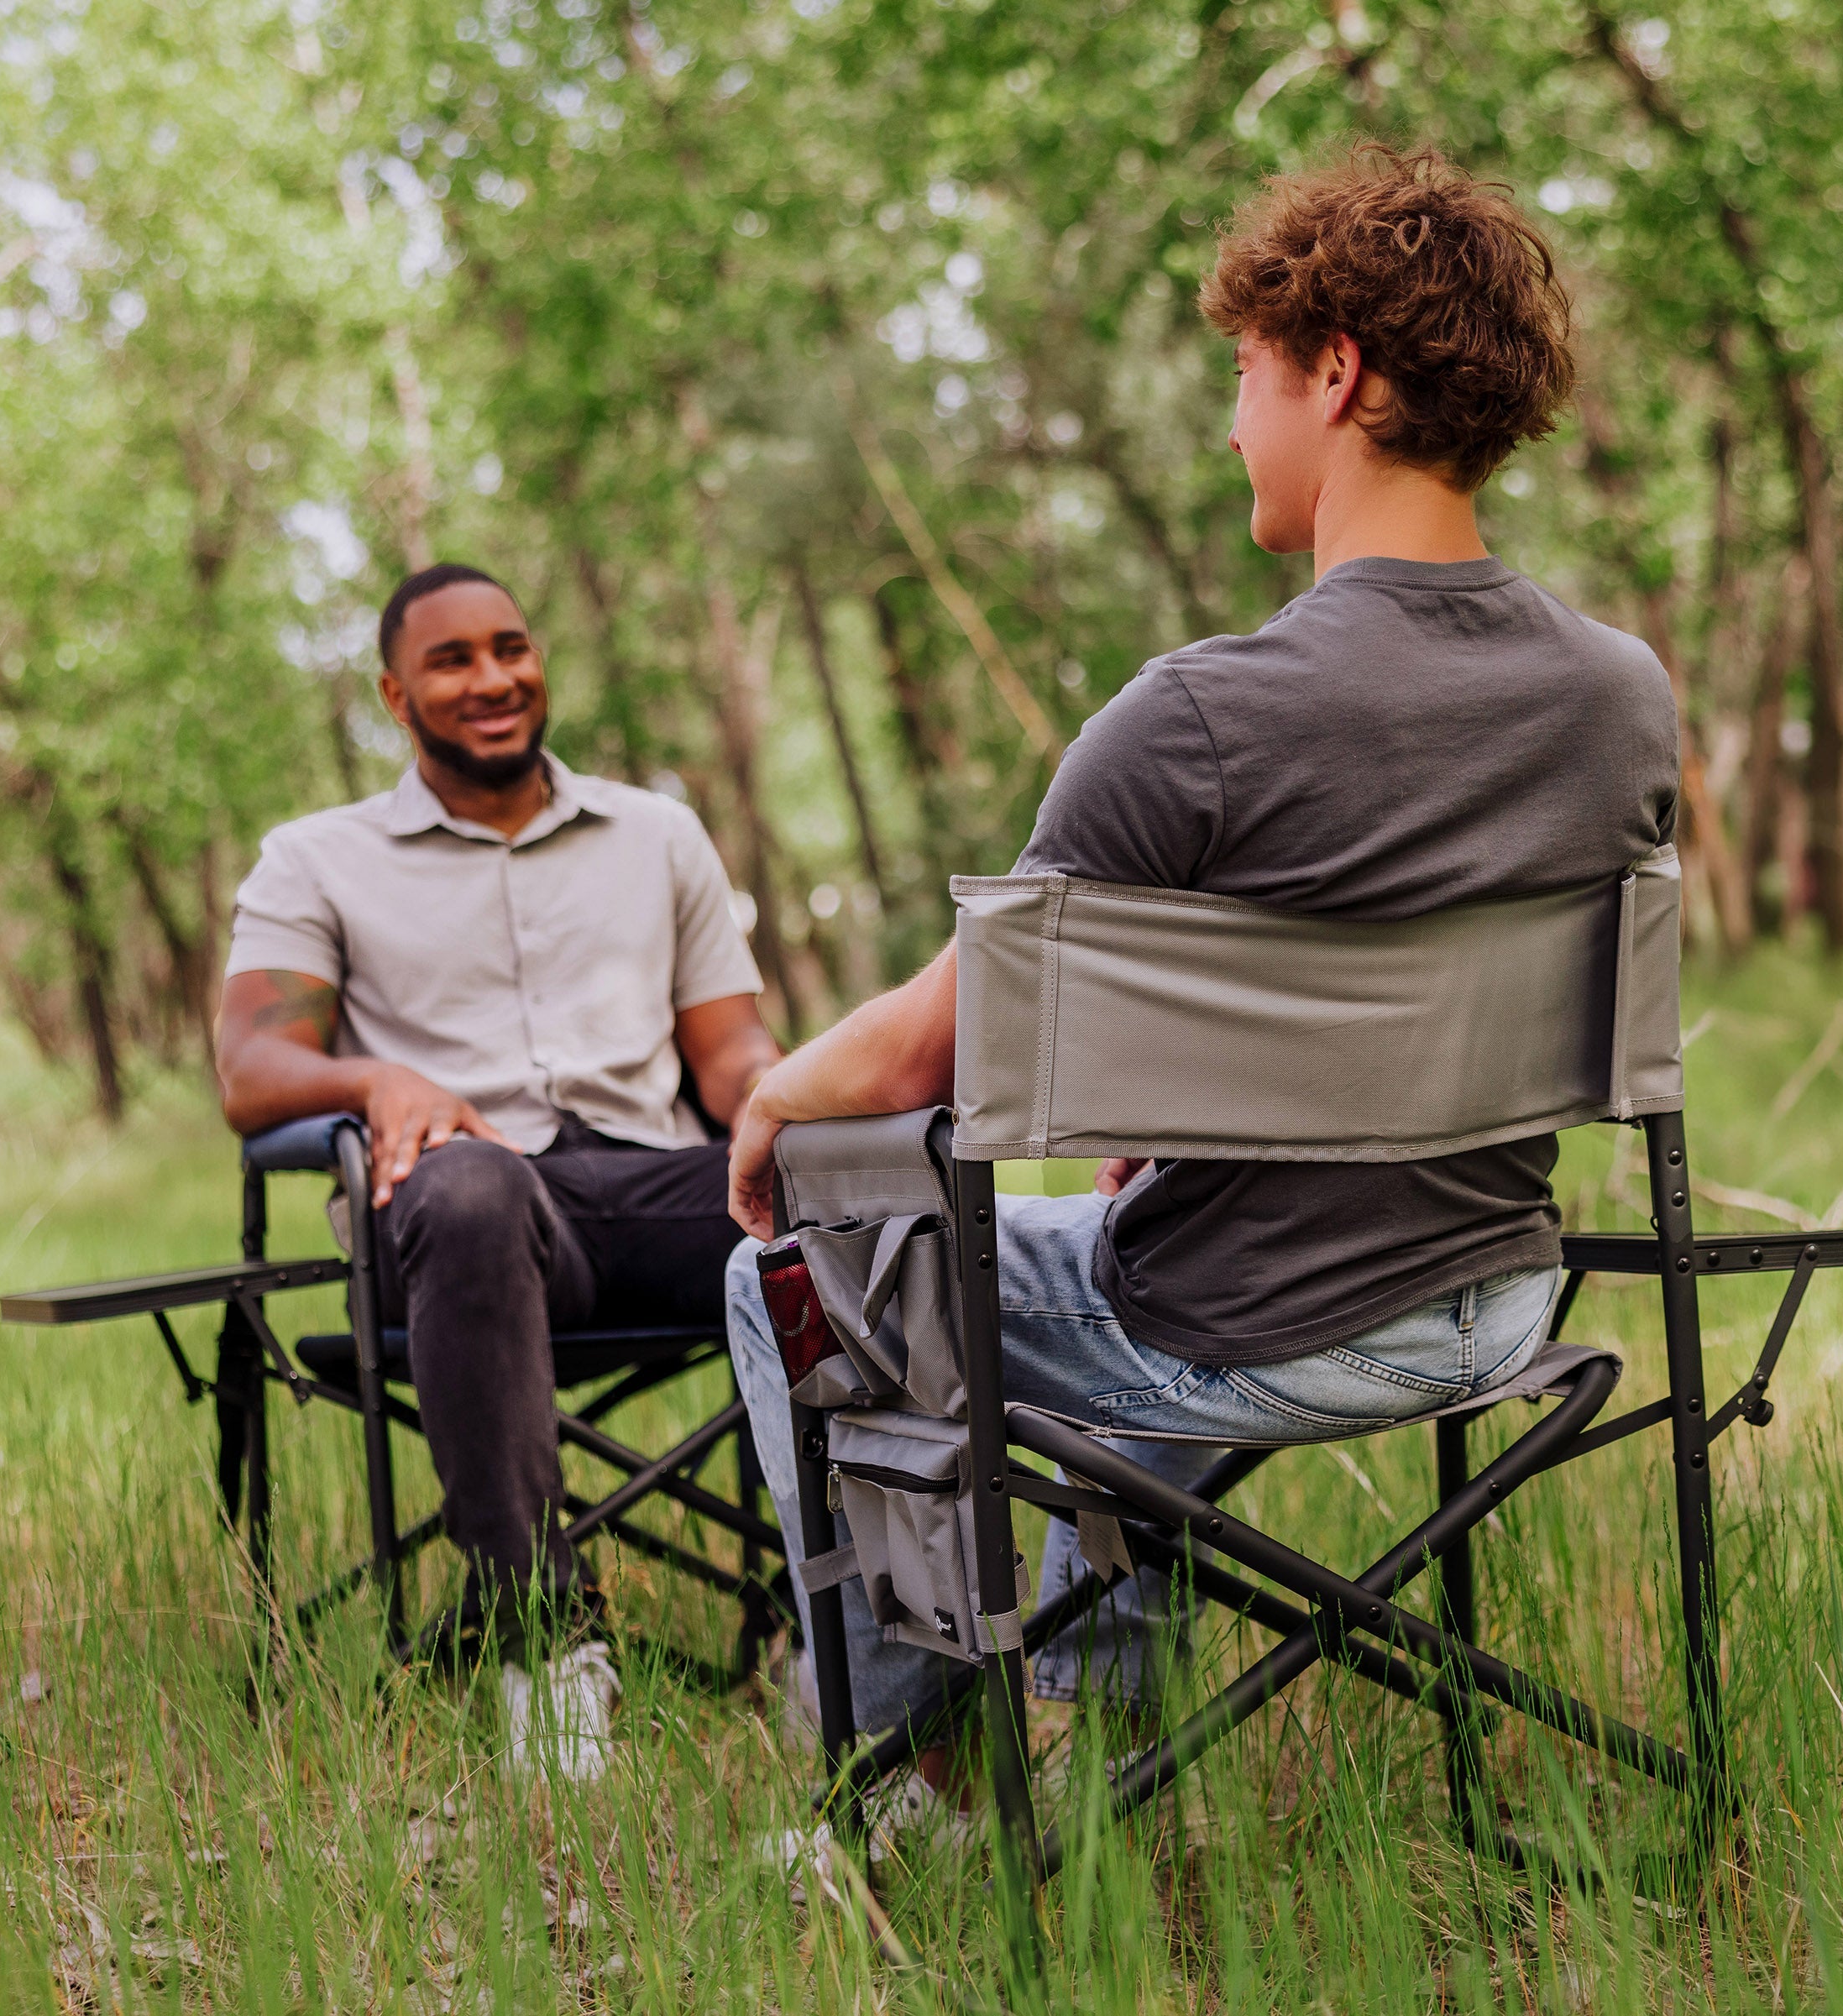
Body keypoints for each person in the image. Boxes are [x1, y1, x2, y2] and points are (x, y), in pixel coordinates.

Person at [718, 144, 1680, 1796]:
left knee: (797, 1271)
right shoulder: (1623, 695)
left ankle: (911, 1768)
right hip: (1507, 1299)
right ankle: (1093, 1717)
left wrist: (776, 1096)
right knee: (1135, 1243)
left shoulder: (1198, 718)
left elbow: (922, 1062)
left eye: (1244, 374)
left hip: (1258, 1329)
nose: (1232, 422)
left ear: (1335, 369)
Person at [216, 562, 779, 1779]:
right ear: (394, 692)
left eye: (511, 647)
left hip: (654, 1191)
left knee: (853, 1189)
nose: (494, 679)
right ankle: (545, 1636)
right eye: (453, 660)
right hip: (469, 1218)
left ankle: (844, 1626)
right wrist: (374, 1081)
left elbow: (730, 1052)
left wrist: (811, 1107)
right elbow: (253, 1066)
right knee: (469, 1184)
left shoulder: (658, 834)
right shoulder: (318, 860)